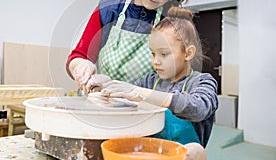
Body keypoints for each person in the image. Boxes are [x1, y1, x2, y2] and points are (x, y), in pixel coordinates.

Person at [66, 0, 191, 91]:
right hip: (100, 104)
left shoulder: (172, 20)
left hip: (146, 109)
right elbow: (80, 55)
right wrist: (82, 66)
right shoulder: (109, 9)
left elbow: (180, 78)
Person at [93, 8, 218, 148]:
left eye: (164, 54)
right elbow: (126, 97)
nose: (155, 61)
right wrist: (106, 86)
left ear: (188, 53)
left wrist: (141, 93)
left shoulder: (201, 82)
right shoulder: (149, 81)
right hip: (150, 153)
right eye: (153, 54)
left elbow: (198, 108)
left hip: (183, 159)